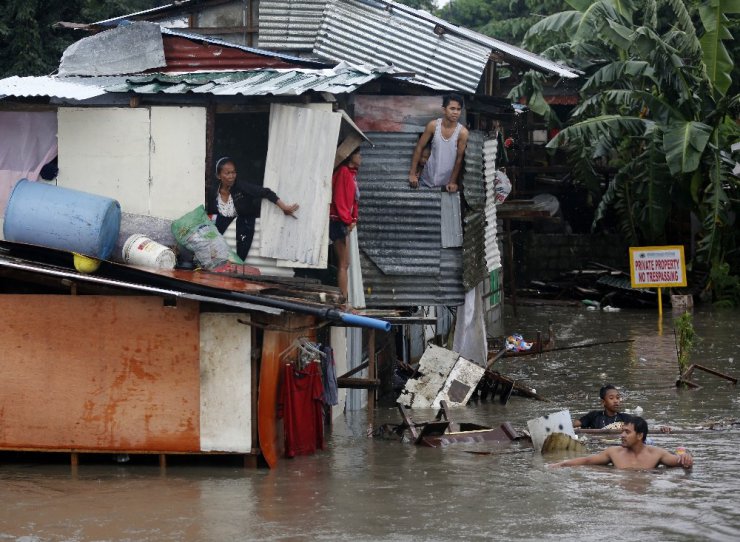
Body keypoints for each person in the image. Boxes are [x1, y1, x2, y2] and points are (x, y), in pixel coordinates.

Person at [209, 157, 299, 260]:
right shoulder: (214, 191)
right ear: (218, 175)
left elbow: (266, 192)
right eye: (227, 173)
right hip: (223, 219)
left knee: (240, 254)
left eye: (233, 172)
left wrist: (284, 207)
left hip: (245, 219)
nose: (231, 176)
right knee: (211, 243)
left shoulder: (241, 186)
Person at [550, 416, 694, 470]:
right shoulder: (613, 452)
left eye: (627, 432)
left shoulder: (657, 453)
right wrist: (560, 464)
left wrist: (687, 458)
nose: (622, 435)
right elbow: (587, 460)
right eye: (622, 431)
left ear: (639, 435)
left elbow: (680, 461)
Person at [408, 93, 469, 193]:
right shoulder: (433, 126)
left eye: (458, 109)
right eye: (452, 108)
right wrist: (412, 174)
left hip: (446, 183)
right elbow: (419, 147)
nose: (455, 112)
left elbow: (459, 159)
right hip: (426, 178)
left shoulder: (462, 133)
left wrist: (452, 181)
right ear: (444, 110)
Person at [330, 147, 361, 307]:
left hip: (344, 221)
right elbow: (340, 200)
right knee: (343, 263)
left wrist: (353, 218)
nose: (361, 158)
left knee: (345, 263)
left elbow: (353, 201)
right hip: (338, 221)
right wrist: (348, 220)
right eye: (359, 154)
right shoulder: (343, 172)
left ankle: (343, 299)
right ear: (351, 156)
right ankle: (342, 301)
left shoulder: (352, 174)